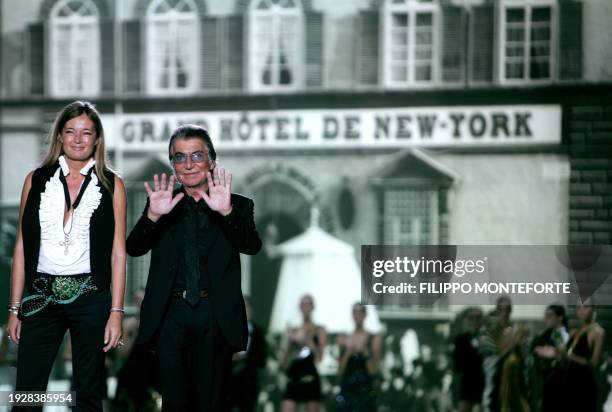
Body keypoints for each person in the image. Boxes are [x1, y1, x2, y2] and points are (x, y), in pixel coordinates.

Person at [126, 124, 262, 411]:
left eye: (197, 156)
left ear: (212, 162)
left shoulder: (238, 205)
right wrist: (152, 215)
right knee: (174, 404)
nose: (189, 165)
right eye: (180, 157)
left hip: (215, 315)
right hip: (170, 316)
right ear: (173, 164)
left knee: (210, 404)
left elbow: (252, 246)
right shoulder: (162, 204)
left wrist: (226, 212)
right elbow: (134, 248)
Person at [5, 100, 126, 411]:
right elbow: (21, 245)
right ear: (59, 136)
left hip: (90, 295)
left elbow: (117, 254)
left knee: (88, 394)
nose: (78, 138)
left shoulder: (113, 185)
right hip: (41, 295)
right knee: (27, 394)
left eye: (86, 132)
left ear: (97, 139)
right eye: (70, 131)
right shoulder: (36, 179)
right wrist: (14, 307)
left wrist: (116, 313)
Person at [480, 296, 529, 412]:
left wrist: (521, 343)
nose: (505, 313)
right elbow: (493, 356)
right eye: (502, 309)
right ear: (497, 310)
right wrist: (513, 342)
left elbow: (525, 355)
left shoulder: (517, 330)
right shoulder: (490, 333)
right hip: (498, 380)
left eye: (508, 309)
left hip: (517, 380)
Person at [280, 294, 327, 412]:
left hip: (309, 376)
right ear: (300, 307)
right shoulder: (295, 330)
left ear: (313, 307)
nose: (305, 308)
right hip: (294, 375)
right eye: (303, 304)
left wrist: (306, 339)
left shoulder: (319, 329)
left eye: (308, 305)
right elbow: (285, 360)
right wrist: (289, 340)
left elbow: (320, 357)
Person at [558, 299, 605, 412]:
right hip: (570, 382)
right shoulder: (576, 331)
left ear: (594, 308)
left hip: (584, 385)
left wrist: (569, 356)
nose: (581, 311)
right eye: (578, 308)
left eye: (586, 307)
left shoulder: (598, 332)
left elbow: (594, 363)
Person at [336, 302, 382, 412]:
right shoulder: (344, 338)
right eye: (355, 312)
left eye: (360, 312)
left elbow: (373, 371)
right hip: (348, 389)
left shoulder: (373, 339)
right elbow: (340, 371)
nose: (357, 315)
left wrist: (364, 351)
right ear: (352, 315)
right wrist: (348, 352)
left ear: (365, 315)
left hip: (365, 390)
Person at [228, 295, 267, 412]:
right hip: (228, 383)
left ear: (251, 309)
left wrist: (244, 357)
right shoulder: (226, 330)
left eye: (247, 307)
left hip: (248, 384)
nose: (244, 310)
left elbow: (262, 360)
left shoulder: (258, 332)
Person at [531, 304, 569, 412]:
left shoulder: (567, 335)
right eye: (545, 315)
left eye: (550, 315)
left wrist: (556, 354)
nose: (546, 318)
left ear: (560, 317)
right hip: (547, 382)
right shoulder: (542, 336)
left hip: (564, 382)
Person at [453, 307, 485, 412]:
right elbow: (457, 369)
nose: (475, 321)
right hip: (466, 388)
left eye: (478, 317)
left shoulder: (488, 339)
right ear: (467, 320)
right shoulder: (460, 341)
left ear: (482, 319)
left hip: (484, 387)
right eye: (471, 318)